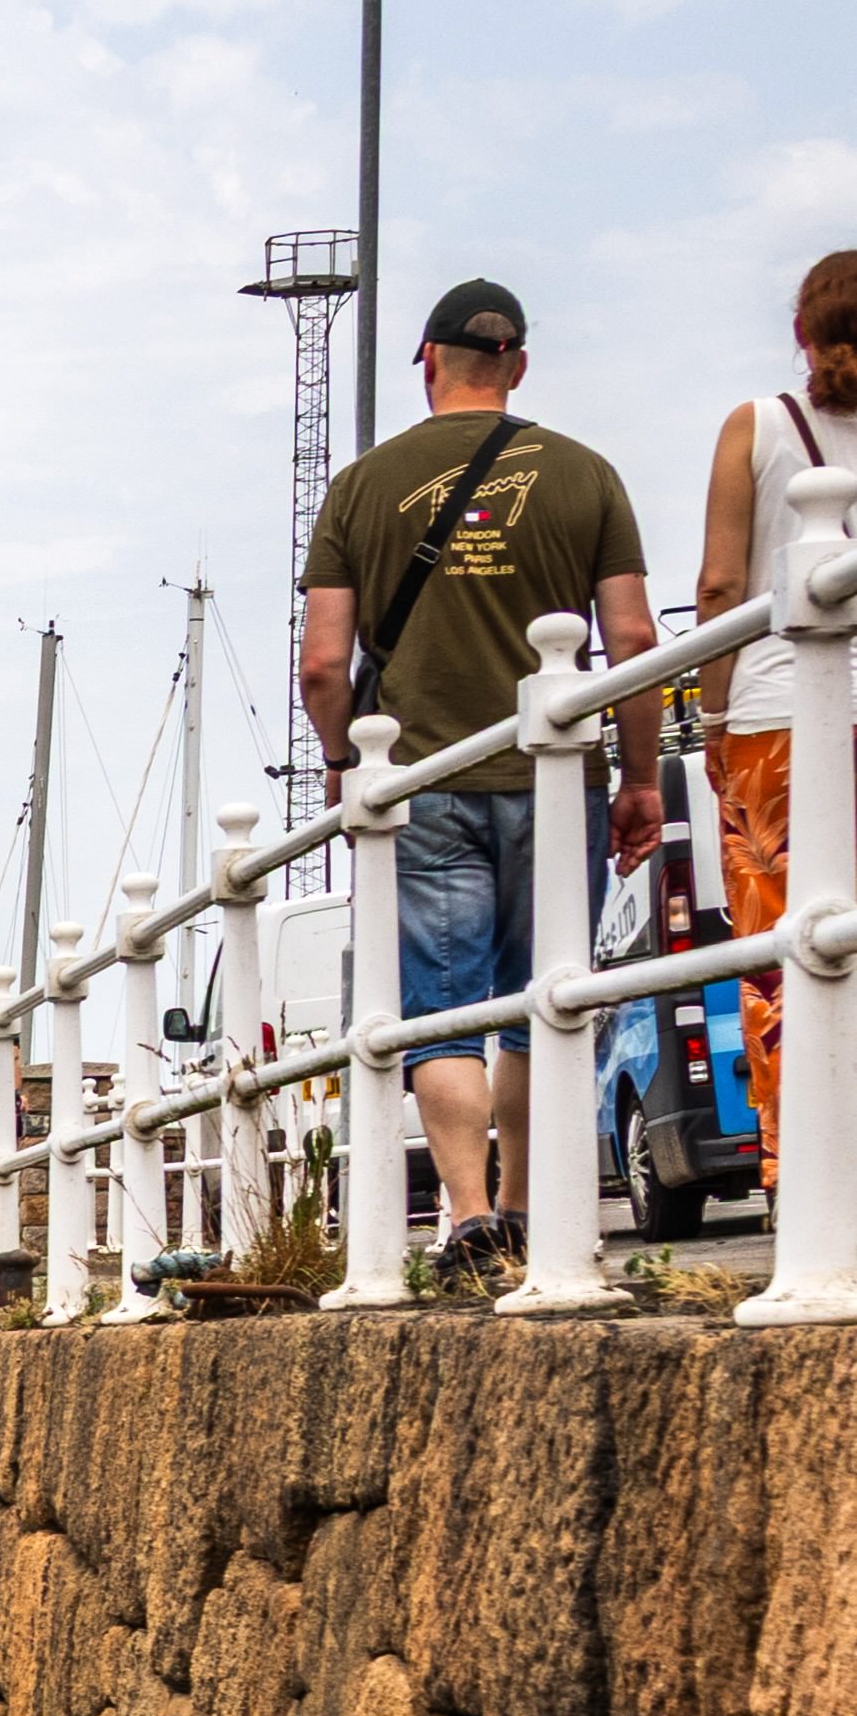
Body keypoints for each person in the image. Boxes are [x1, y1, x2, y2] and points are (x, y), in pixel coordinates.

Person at [301, 283, 662, 1284]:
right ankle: (524, 1210)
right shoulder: (587, 474)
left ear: (428, 360)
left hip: (422, 782)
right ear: (518, 365)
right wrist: (639, 779)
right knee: (542, 999)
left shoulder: (363, 486)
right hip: (555, 778)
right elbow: (633, 639)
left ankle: (465, 1218)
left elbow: (323, 665)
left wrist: (344, 763)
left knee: (443, 1004)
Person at [690, 251, 857, 1160]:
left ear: (801, 333)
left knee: (779, 954)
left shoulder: (756, 426)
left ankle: (802, 1165)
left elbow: (719, 588)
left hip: (771, 721)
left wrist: (711, 722)